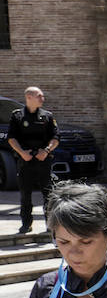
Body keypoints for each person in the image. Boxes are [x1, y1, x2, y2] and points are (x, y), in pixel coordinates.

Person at [7, 86, 59, 234]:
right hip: (25, 161)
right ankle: (26, 224)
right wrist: (22, 153)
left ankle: (50, 224)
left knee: (48, 194)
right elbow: (12, 138)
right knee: (25, 194)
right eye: (39, 96)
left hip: (43, 161)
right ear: (29, 97)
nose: (43, 98)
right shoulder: (17, 116)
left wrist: (46, 151)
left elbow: (55, 138)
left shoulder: (47, 116)